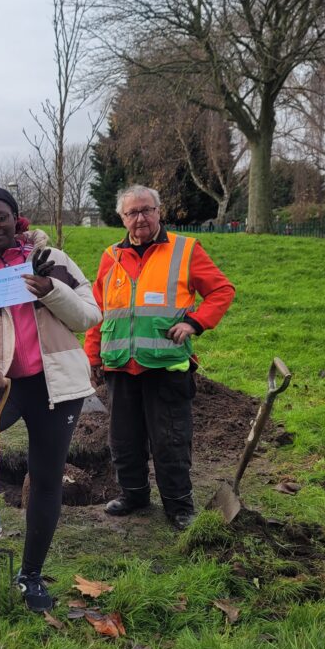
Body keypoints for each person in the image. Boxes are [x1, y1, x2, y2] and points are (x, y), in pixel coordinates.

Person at [0, 187, 101, 612]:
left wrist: (50, 289)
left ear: (17, 218)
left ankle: (30, 575)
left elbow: (89, 316)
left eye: (0, 217)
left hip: (56, 387)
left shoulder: (53, 261)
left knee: (46, 477)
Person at [84, 185, 235, 530]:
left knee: (170, 439)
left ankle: (179, 506)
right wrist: (92, 356)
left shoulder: (185, 250)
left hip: (165, 366)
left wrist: (195, 323)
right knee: (123, 438)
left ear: (158, 211)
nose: (140, 218)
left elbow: (222, 290)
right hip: (120, 365)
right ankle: (134, 495)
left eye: (146, 210)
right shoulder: (112, 256)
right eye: (132, 213)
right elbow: (98, 310)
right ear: (122, 218)